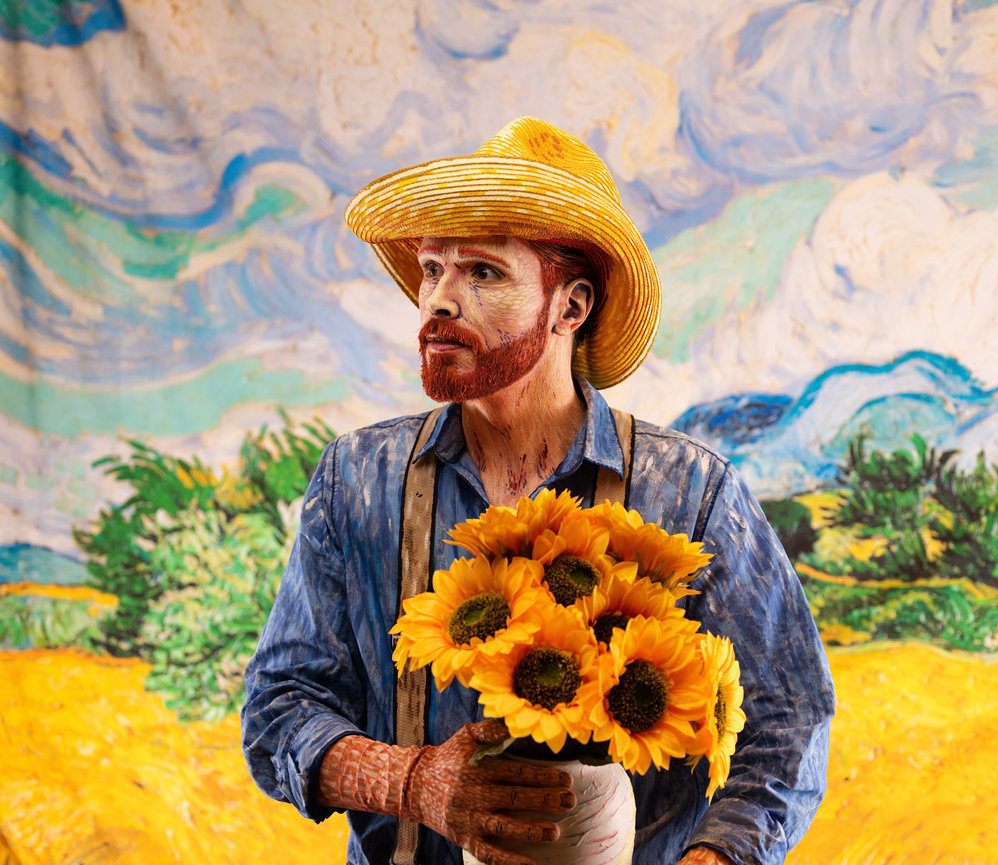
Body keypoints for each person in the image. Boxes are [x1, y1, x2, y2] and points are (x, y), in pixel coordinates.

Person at [241, 117, 835, 865]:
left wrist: (712, 860)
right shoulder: (356, 480)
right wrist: (416, 781)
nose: (439, 302)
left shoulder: (692, 492)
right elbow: (277, 709)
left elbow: (788, 723)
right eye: (431, 270)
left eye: (482, 272)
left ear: (570, 307)